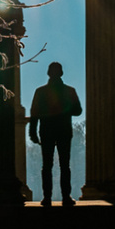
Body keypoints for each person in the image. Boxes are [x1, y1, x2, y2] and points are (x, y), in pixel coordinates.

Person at [28, 61, 83, 206]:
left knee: (47, 165)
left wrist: (32, 132)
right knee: (64, 165)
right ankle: (66, 196)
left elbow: (34, 114)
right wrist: (65, 110)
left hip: (46, 131)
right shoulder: (69, 91)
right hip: (64, 130)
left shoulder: (40, 92)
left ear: (48, 73)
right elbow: (78, 111)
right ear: (61, 73)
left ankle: (47, 198)